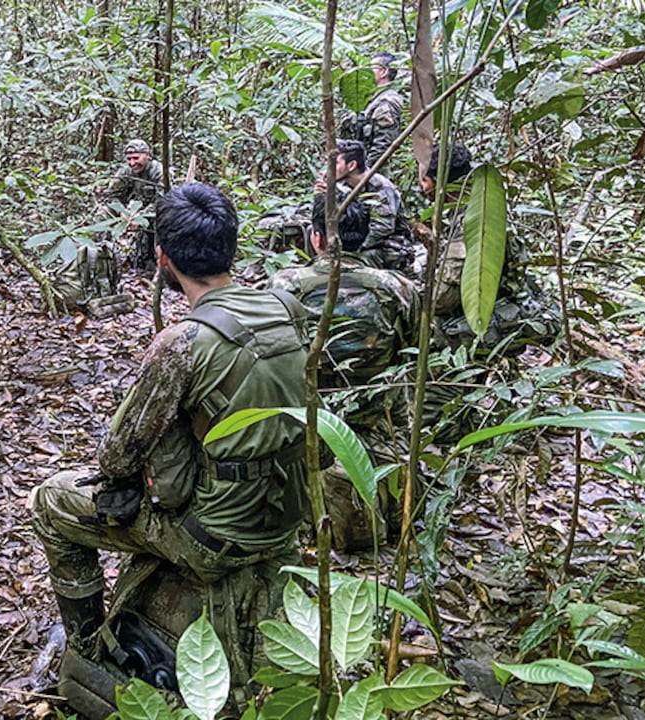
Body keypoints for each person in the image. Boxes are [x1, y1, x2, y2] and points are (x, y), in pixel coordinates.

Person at [31, 183, 310, 672]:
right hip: (290, 516)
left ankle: (87, 648)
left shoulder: (183, 342)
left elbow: (116, 457)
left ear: (162, 258)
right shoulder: (290, 309)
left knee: (51, 501)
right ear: (232, 246)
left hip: (213, 538)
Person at [268, 193, 419, 550]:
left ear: (316, 236)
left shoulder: (285, 285)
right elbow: (412, 351)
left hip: (310, 419)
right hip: (377, 417)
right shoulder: (398, 288)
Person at [420, 142, 561, 353]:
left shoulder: (471, 222)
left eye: (424, 179)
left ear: (441, 183)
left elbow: (443, 299)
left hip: (489, 323)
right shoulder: (486, 201)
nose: (422, 188)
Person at [315, 139, 414, 278]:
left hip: (385, 243)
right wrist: (323, 197)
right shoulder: (342, 183)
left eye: (335, 163)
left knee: (359, 259)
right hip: (355, 236)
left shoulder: (381, 188)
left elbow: (382, 228)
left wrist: (351, 250)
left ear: (352, 165)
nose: (329, 168)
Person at [102, 139, 164, 271]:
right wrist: (122, 212)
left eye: (136, 158)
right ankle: (102, 254)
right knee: (104, 212)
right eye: (129, 159)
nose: (132, 163)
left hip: (156, 214)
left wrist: (142, 217)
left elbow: (162, 201)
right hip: (133, 213)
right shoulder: (126, 172)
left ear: (147, 155)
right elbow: (111, 195)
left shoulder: (159, 172)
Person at [340, 52, 405, 170]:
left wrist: (365, 173)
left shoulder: (387, 100)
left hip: (369, 172)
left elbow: (383, 145)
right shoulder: (370, 98)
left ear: (384, 72)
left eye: (371, 68)